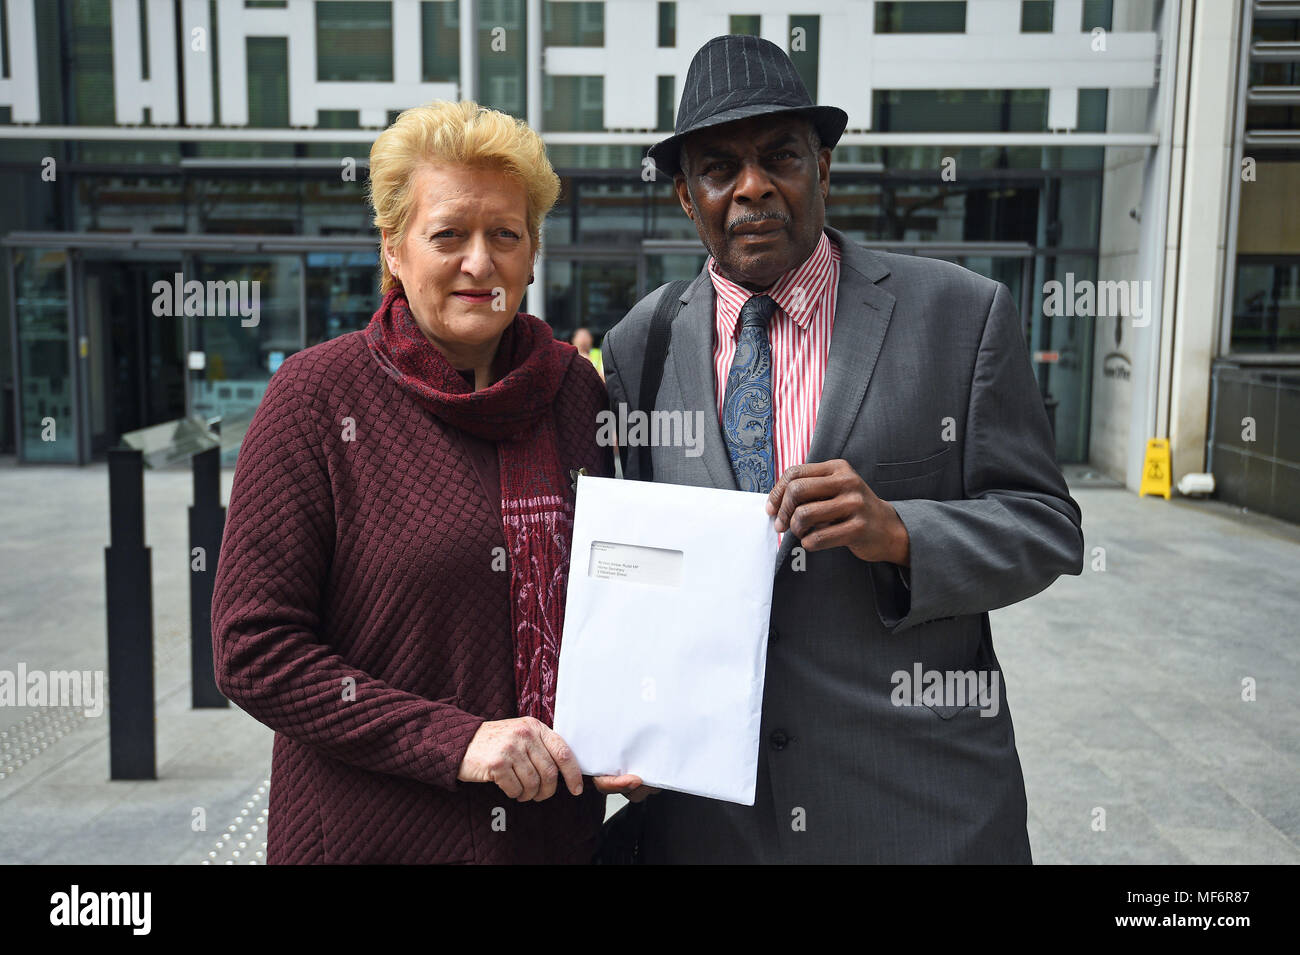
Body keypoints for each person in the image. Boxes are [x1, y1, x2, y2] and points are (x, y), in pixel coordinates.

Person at [601, 35, 1085, 863]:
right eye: (719, 168)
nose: (752, 186)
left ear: (823, 168)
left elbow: (1048, 527)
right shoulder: (639, 343)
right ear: (686, 196)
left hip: (920, 812)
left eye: (779, 156)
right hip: (720, 823)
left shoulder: (960, 316)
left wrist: (900, 531)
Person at [210, 100, 632, 864]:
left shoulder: (575, 392)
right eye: (448, 234)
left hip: (552, 839)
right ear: (394, 252)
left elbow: (623, 594)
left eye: (505, 234)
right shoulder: (317, 397)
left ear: (533, 253)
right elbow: (252, 647)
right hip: (375, 835)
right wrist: (458, 740)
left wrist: (651, 724)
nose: (480, 262)